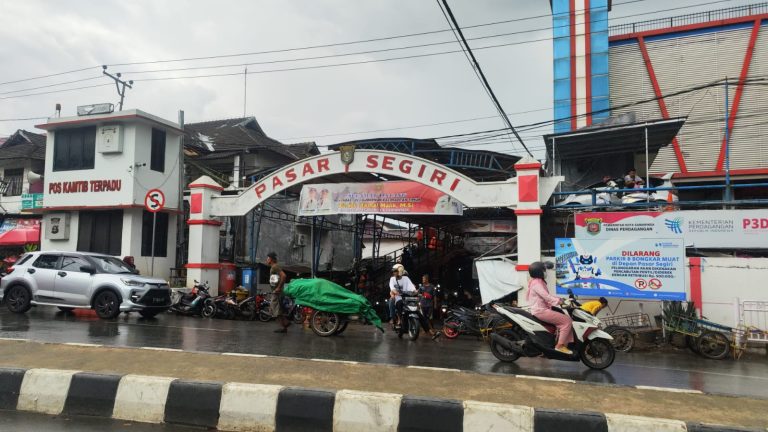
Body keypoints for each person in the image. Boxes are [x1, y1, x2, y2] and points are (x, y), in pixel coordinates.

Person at [526, 261, 574, 355]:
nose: (545, 272)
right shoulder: (537, 284)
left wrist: (560, 300)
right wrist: (560, 301)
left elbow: (547, 297)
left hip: (541, 309)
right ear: (539, 272)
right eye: (544, 270)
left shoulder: (537, 282)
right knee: (567, 321)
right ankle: (560, 346)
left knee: (562, 317)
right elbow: (547, 297)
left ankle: (561, 343)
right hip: (541, 311)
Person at [390, 264, 440, 339]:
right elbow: (392, 288)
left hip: (408, 298)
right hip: (399, 298)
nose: (394, 273)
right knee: (398, 303)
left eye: (395, 271)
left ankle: (431, 333)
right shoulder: (392, 279)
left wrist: (415, 292)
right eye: (393, 271)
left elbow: (412, 288)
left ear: (400, 271)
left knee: (419, 314)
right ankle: (399, 320)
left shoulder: (406, 278)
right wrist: (395, 292)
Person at [266, 252, 290, 333]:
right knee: (278, 309)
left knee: (274, 309)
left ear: (271, 259)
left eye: (268, 258)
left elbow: (284, 276)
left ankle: (285, 323)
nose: (267, 260)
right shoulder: (273, 267)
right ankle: (284, 326)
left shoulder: (275, 266)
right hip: (275, 291)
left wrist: (278, 288)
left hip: (277, 292)